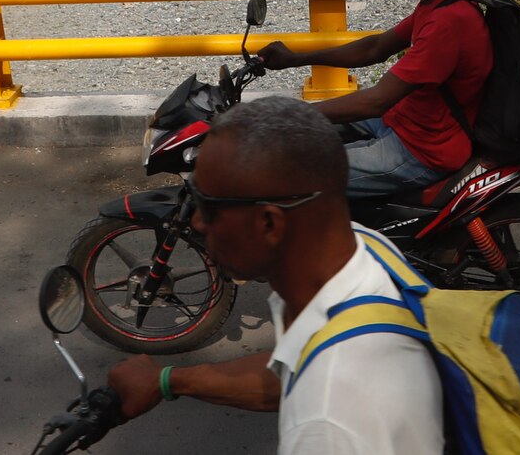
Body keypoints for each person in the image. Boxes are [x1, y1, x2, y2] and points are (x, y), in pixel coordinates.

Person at [107, 95, 444, 454]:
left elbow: (319, 384)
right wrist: (167, 381)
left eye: (208, 206)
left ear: (269, 223)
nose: (197, 222)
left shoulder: (328, 424)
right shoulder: (362, 250)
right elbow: (290, 371)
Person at [259, 0, 493, 196]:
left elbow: (376, 100)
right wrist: (296, 58)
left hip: (420, 151)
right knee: (291, 140)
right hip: (400, 122)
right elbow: (375, 48)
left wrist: (295, 112)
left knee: (292, 172)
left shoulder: (449, 21)